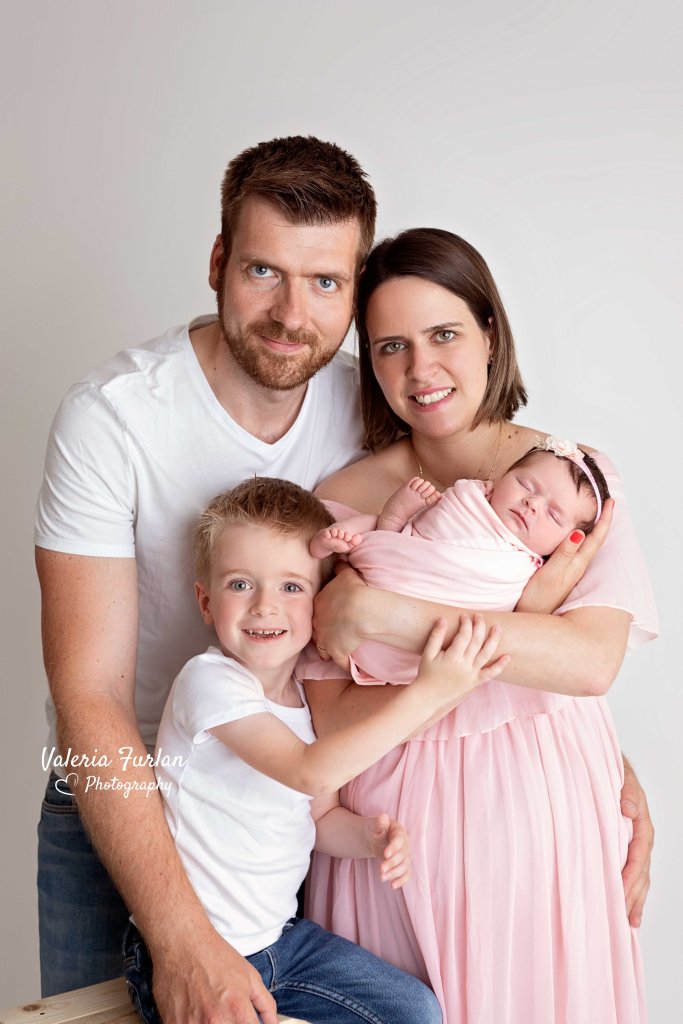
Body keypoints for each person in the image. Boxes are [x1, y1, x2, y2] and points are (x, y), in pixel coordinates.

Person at [33, 137, 653, 1023]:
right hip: (126, 788)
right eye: (262, 271)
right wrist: (179, 935)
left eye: (325, 282)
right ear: (217, 262)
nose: (292, 313)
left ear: (354, 291)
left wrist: (603, 767)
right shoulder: (114, 417)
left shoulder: (375, 408)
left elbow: (476, 593)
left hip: (297, 813)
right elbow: (87, 693)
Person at [305, 228, 658, 1023]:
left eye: (443, 335)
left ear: (490, 333)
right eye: (390, 346)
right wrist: (497, 656)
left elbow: (588, 662)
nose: (419, 370)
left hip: (545, 818)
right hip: (389, 839)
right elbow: (326, 714)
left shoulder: (570, 481)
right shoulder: (340, 497)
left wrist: (389, 613)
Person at [124, 476, 507, 1024]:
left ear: (320, 604)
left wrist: (370, 838)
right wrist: (429, 692)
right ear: (206, 602)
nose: (264, 606)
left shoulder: (304, 700)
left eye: (291, 587)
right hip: (199, 955)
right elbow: (306, 773)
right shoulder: (208, 683)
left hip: (282, 945)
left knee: (414, 1011)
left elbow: (319, 815)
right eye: (239, 585)